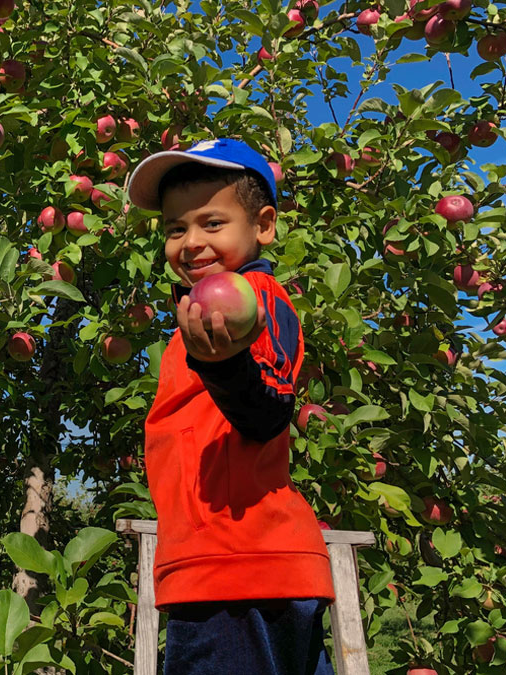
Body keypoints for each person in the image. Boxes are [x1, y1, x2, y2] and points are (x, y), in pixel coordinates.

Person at [126, 138, 336, 675]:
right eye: (176, 229)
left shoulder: (253, 300)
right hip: (240, 566)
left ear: (263, 225)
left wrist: (223, 365)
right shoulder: (205, 320)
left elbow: (267, 412)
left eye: (212, 223)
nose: (191, 242)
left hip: (234, 566)